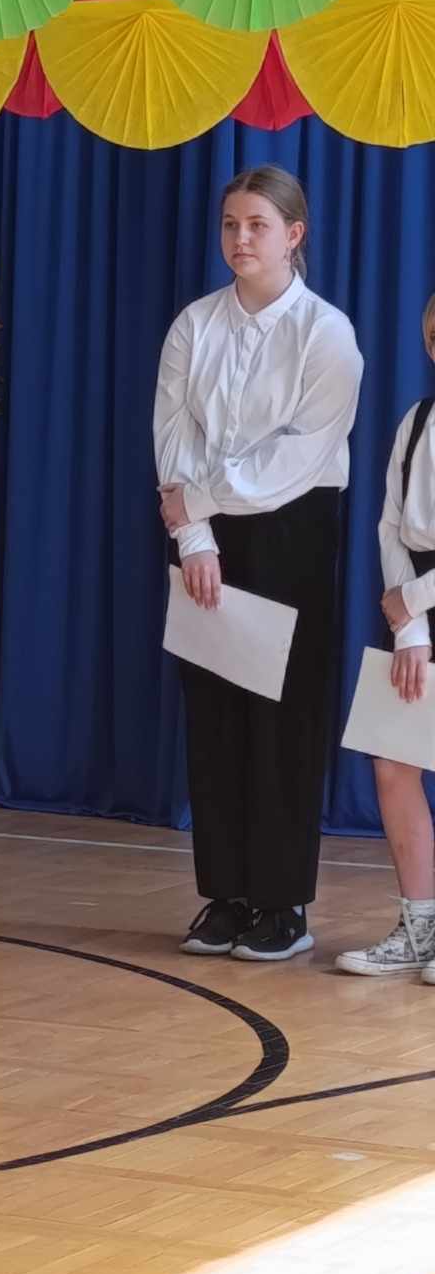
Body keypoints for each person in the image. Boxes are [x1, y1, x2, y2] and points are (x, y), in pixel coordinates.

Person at [155, 164, 363, 963]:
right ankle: (227, 893)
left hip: (291, 531)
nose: (240, 239)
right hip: (204, 532)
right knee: (213, 711)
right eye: (231, 224)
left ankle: (283, 903)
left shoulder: (326, 333)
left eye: (257, 226)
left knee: (283, 716)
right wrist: (195, 538)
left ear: (293, 235)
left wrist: (200, 502)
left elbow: (299, 455)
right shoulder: (194, 325)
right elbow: (173, 431)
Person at [336, 293, 435, 978]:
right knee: (393, 763)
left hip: (417, 597)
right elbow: (390, 525)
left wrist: (415, 600)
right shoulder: (416, 420)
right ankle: (421, 928)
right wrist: (410, 625)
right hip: (411, 611)